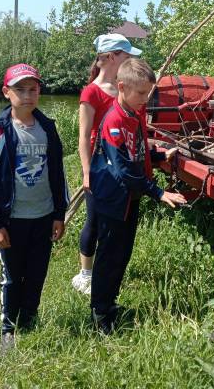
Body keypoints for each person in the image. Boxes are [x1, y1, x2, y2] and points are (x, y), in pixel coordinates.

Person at [0, 63, 70, 354]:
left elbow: (58, 172)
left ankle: (29, 319)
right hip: (11, 219)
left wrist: (59, 213)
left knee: (37, 272)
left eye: (33, 89)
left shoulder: (48, 127)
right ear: (6, 92)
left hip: (42, 216)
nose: (27, 95)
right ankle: (8, 328)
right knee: (12, 274)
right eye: (20, 89)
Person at [89, 58, 186, 334]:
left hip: (129, 200)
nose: (146, 99)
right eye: (142, 93)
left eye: (149, 94)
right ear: (122, 87)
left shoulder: (134, 114)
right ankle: (99, 313)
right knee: (109, 257)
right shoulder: (115, 121)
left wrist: (157, 156)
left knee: (122, 255)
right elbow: (123, 170)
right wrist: (158, 192)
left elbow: (137, 154)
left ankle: (109, 304)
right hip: (112, 201)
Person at [71, 34, 142, 295]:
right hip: (100, 168)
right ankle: (86, 273)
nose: (131, 59)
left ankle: (110, 268)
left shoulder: (124, 89)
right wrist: (87, 172)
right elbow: (83, 137)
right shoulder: (92, 92)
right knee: (94, 220)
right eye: (126, 55)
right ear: (112, 57)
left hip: (122, 167)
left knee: (117, 220)